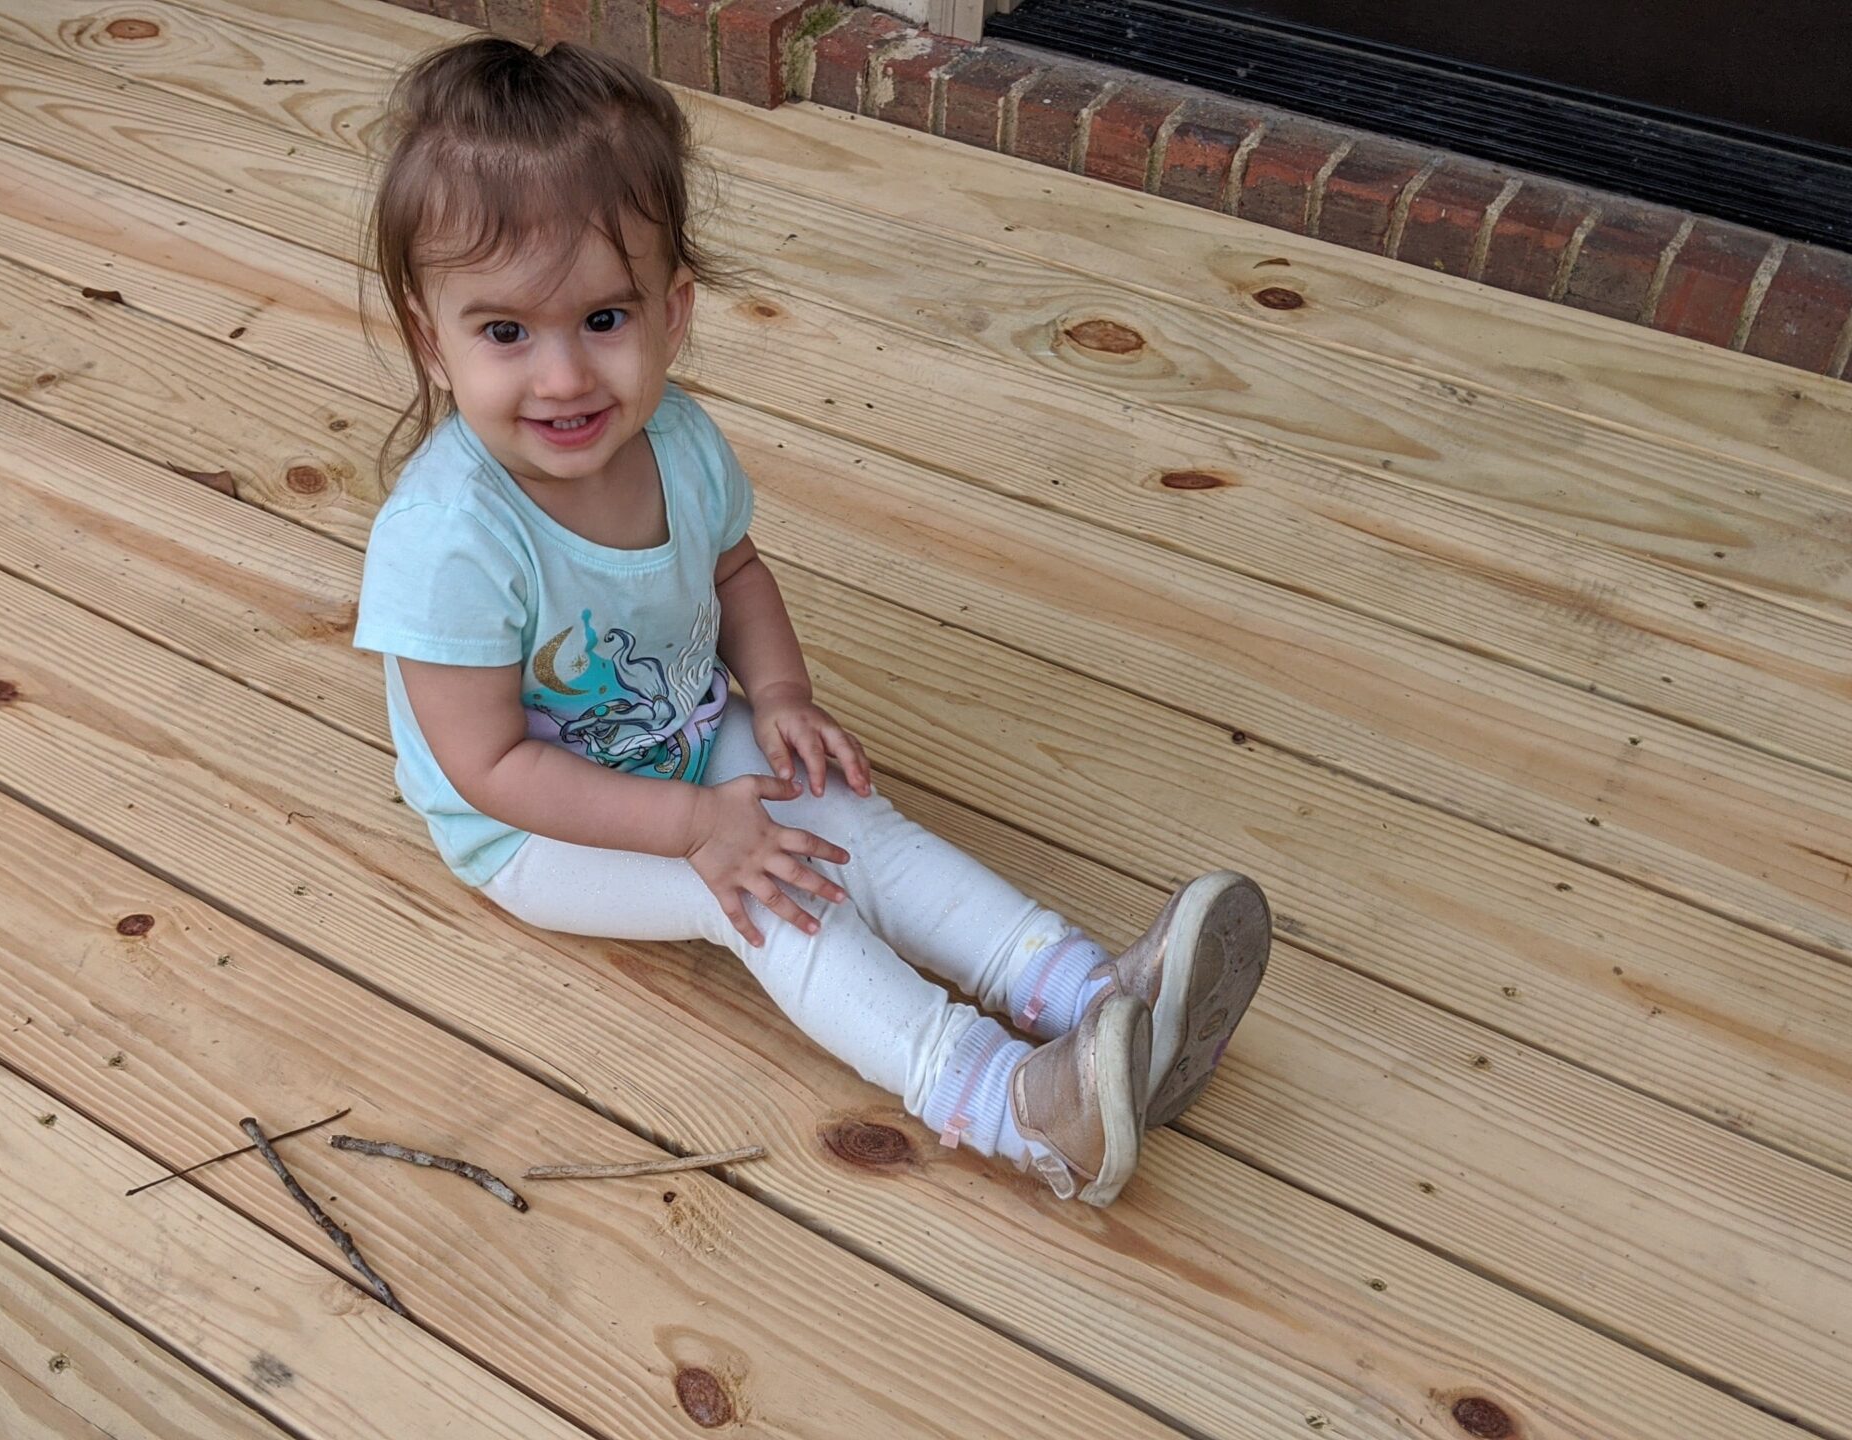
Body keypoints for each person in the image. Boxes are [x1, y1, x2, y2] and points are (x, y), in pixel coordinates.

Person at [351, 36, 1268, 1205]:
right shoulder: (451, 540)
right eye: (504, 334)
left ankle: (1092, 999)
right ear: (432, 339)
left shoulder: (676, 443)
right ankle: (1017, 1109)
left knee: (849, 826)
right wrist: (695, 827)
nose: (565, 377)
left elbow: (733, 573)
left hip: (690, 736)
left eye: (602, 319)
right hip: (539, 831)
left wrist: (777, 698)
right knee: (766, 894)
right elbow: (486, 765)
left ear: (671, 314)